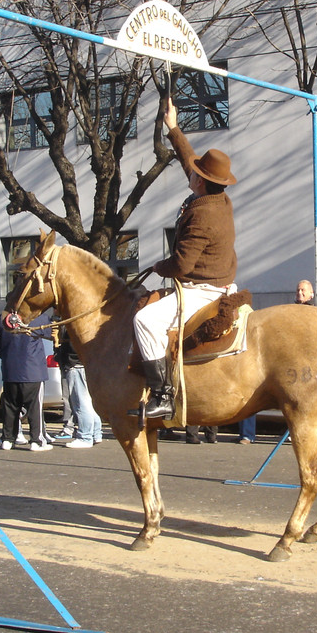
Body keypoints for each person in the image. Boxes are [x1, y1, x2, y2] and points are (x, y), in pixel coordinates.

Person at [133, 100, 238, 420]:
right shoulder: (218, 197)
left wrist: (157, 267)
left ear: (200, 181)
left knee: (144, 321)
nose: (190, 173)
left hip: (203, 291)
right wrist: (173, 127)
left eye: (196, 173)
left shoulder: (203, 215)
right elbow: (189, 162)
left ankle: (163, 395)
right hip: (220, 281)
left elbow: (181, 266)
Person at [0, 312, 54, 452]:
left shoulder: (1, 319)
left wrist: (6, 355)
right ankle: (36, 440)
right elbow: (52, 332)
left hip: (10, 370)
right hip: (33, 370)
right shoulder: (37, 318)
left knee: (10, 407)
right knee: (35, 408)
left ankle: (8, 439)